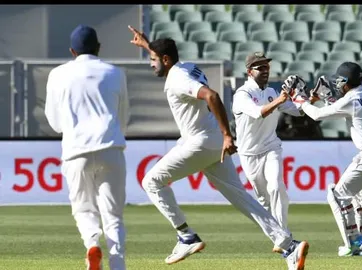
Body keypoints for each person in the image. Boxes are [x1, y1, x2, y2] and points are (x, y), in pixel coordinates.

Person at [126, 25, 309, 269]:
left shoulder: (178, 77)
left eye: (153, 59)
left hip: (200, 141)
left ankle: (186, 236)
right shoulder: (184, 67)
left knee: (151, 181)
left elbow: (211, 96)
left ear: (166, 60)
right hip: (211, 140)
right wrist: (148, 45)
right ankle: (289, 246)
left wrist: (227, 135)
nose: (151, 64)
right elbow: (167, 61)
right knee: (241, 197)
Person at [290, 62, 362, 257]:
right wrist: (328, 98)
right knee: (361, 198)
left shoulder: (351, 100)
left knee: (337, 195)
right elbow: (347, 111)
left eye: (340, 81)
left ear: (347, 82)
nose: (338, 85)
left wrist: (301, 99)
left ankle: (354, 241)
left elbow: (316, 115)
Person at [44, 25, 129, 270]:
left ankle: (92, 243)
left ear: (72, 50)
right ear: (99, 47)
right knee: (113, 214)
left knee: (83, 209)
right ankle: (117, 264)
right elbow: (123, 117)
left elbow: (55, 122)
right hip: (111, 147)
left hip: (75, 150)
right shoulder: (115, 72)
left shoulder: (58, 74)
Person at [232, 52, 304, 253]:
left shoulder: (272, 92)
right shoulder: (242, 95)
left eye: (267, 67)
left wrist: (311, 98)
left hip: (271, 147)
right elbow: (259, 112)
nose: (265, 71)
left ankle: (283, 238)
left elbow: (298, 111)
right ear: (249, 71)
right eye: (260, 67)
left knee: (276, 187)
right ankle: (281, 237)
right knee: (264, 201)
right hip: (248, 153)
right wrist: (281, 99)